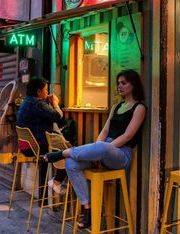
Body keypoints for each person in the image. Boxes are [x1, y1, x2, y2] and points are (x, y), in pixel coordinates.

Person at [44, 69, 147, 228]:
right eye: (118, 83)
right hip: (102, 151)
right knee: (71, 164)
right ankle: (88, 210)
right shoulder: (117, 106)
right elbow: (104, 131)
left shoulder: (140, 108)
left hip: (121, 153)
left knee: (101, 147)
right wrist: (98, 152)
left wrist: (101, 150)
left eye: (123, 83)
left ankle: (62, 153)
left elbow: (127, 136)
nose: (119, 86)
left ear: (133, 85)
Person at [16, 76, 69, 195]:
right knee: (68, 152)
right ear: (38, 91)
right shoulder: (37, 103)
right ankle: (57, 182)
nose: (47, 92)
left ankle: (54, 185)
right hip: (37, 147)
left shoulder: (27, 101)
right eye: (46, 90)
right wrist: (55, 103)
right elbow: (57, 115)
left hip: (26, 147)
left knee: (63, 148)